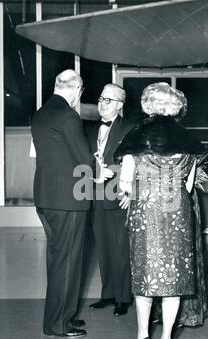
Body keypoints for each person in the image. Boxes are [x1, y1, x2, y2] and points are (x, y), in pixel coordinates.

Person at [115, 82, 208, 339]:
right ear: (176, 106)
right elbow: (189, 185)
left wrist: (128, 192)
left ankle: (142, 336)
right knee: (175, 280)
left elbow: (125, 183)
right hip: (178, 214)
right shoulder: (187, 141)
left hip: (146, 214)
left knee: (145, 278)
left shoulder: (136, 137)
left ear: (148, 105)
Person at [32, 69, 93, 337]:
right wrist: (106, 168)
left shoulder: (41, 113)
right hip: (67, 200)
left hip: (46, 197)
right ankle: (58, 324)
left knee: (57, 259)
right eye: (81, 92)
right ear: (77, 89)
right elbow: (83, 159)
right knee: (67, 262)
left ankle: (62, 316)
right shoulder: (68, 115)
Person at [87, 84, 133, 316]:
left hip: (119, 195)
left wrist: (131, 190)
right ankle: (108, 295)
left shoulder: (130, 128)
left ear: (120, 105)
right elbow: (84, 159)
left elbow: (137, 163)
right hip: (94, 195)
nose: (102, 103)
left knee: (121, 248)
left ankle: (124, 297)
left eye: (108, 100)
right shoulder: (89, 130)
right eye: (101, 98)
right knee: (103, 247)